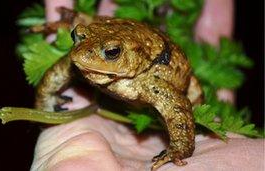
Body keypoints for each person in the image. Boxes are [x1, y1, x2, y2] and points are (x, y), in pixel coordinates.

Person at [30, 0, 264, 170]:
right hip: (119, 33)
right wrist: (45, 100)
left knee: (193, 93)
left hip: (160, 63)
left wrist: (179, 148)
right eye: (78, 38)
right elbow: (57, 73)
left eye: (111, 53)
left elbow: (178, 106)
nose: (82, 53)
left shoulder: (150, 81)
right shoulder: (81, 59)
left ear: (129, 55)